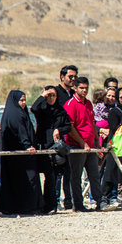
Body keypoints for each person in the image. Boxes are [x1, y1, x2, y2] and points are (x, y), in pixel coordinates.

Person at [64, 77, 115, 212]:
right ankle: (78, 205)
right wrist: (82, 143)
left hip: (91, 145)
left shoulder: (88, 104)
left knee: (94, 175)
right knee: (76, 177)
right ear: (75, 88)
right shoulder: (70, 104)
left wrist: (97, 142)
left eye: (86, 88)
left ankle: (100, 202)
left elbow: (92, 123)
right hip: (77, 146)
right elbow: (70, 127)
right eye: (81, 88)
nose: (84, 90)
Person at [0, 90, 43, 215]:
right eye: (21, 100)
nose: (23, 103)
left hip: (20, 155)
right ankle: (27, 206)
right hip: (20, 154)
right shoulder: (15, 114)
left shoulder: (18, 112)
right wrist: (27, 145)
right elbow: (20, 131)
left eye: (24, 100)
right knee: (28, 179)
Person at [31, 86, 72, 214]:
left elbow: (68, 126)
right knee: (39, 177)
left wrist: (58, 130)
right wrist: (43, 95)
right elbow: (33, 108)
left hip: (55, 148)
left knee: (52, 177)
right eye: (49, 95)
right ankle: (38, 204)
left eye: (53, 95)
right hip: (42, 145)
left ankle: (51, 205)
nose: (51, 98)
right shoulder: (42, 109)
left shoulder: (60, 110)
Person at [55, 65, 77, 210]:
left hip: (71, 137)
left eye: (75, 77)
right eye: (70, 76)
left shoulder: (74, 94)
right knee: (57, 173)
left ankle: (68, 202)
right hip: (58, 138)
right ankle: (55, 200)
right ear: (62, 77)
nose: (73, 79)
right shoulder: (55, 93)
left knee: (70, 172)